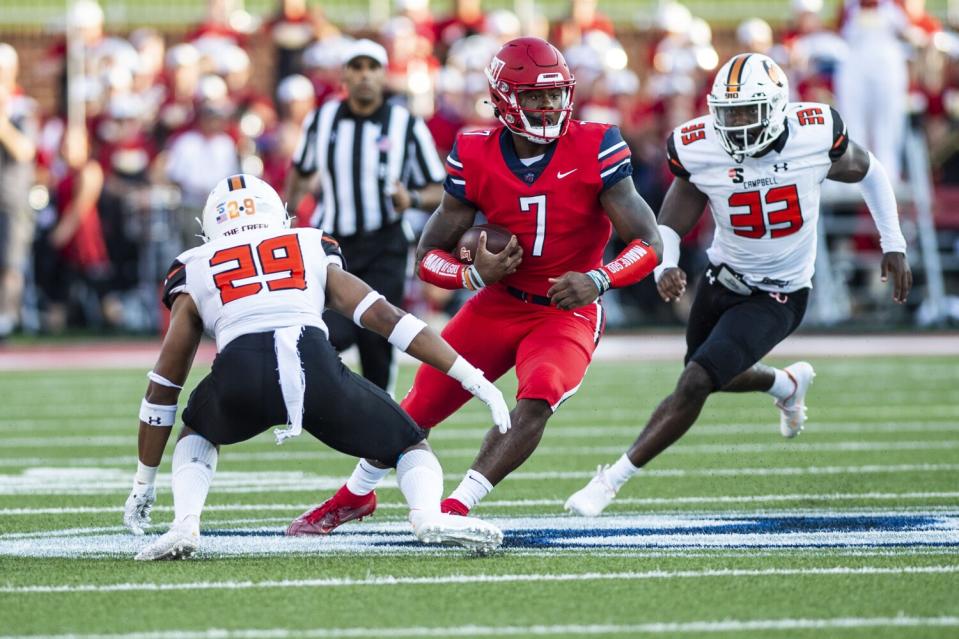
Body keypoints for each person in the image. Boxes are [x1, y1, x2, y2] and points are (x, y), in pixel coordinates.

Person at [287, 36, 662, 535]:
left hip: (565, 309)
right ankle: (353, 497)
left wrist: (599, 278)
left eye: (554, 94)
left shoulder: (597, 143)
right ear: (505, 97)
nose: (548, 105)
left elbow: (650, 242)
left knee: (540, 393)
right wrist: (473, 275)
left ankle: (457, 506)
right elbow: (427, 256)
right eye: (534, 95)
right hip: (498, 302)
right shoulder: (475, 149)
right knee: (418, 407)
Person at [565, 53, 912, 517]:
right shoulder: (699, 145)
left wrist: (893, 241)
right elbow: (675, 211)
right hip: (721, 277)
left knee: (695, 381)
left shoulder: (813, 133)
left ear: (776, 106)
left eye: (748, 112)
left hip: (779, 292)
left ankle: (609, 483)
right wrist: (665, 262)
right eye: (727, 114)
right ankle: (785, 385)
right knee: (709, 373)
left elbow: (869, 170)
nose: (737, 125)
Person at [124, 174, 510, 560]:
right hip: (315, 366)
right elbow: (388, 318)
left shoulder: (194, 265)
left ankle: (185, 523)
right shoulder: (308, 243)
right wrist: (470, 376)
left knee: (198, 428)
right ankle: (427, 515)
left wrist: (145, 481)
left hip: (239, 373)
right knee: (410, 443)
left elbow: (165, 383)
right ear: (279, 213)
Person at [286, 39, 445, 394]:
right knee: (327, 333)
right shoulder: (321, 118)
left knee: (377, 338)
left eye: (371, 67)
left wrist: (413, 198)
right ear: (344, 75)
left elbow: (439, 188)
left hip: (385, 242)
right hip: (334, 247)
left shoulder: (406, 124)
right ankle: (338, 409)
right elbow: (300, 169)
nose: (364, 76)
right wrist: (287, 214)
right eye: (356, 67)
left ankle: (382, 424)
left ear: (383, 74)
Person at [0, 44, 37, 340]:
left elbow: (25, 150)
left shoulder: (22, 108)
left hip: (11, 197)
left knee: (11, 262)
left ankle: (7, 319)